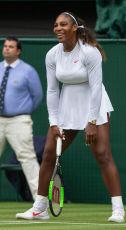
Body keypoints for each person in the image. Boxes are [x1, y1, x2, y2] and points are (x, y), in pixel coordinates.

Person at [16, 12, 125, 222]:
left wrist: (91, 121)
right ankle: (40, 208)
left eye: (63, 24)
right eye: (56, 25)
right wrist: (54, 122)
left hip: (95, 105)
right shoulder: (52, 54)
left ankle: (118, 209)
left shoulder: (90, 52)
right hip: (67, 107)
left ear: (74, 27)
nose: (58, 28)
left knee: (103, 155)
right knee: (48, 154)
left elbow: (96, 89)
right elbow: (52, 91)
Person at [0, 36, 43, 201]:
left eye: (11, 47)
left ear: (18, 51)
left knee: (27, 158)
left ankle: (40, 201)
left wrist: (23, 111)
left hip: (19, 120)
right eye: (5, 46)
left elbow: (37, 96)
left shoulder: (28, 71)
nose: (7, 49)